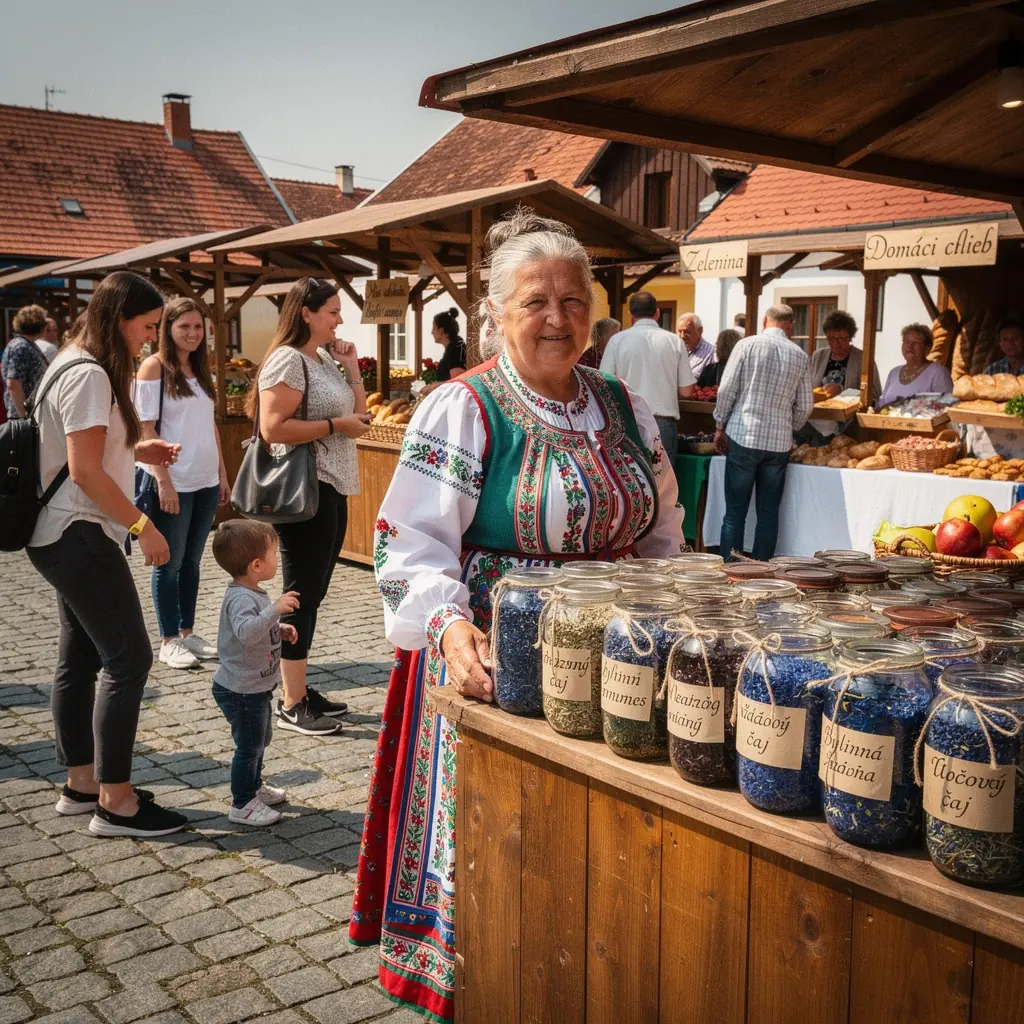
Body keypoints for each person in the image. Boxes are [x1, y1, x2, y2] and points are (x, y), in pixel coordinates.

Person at [350, 209, 686, 1023]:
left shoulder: (625, 406)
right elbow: (408, 542)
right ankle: (489, 979)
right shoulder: (461, 407)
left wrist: (677, 612)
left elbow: (664, 530)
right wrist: (447, 625)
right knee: (505, 843)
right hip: (494, 659)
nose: (558, 319)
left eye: (574, 301)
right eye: (536, 301)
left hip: (615, 658)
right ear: (496, 312)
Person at [26, 271, 188, 838]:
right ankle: (117, 803)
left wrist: (138, 447)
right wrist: (144, 525)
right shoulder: (91, 374)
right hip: (80, 533)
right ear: (119, 318)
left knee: (81, 659)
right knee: (129, 659)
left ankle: (82, 784)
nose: (149, 339)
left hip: (61, 533)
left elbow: (80, 447)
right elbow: (84, 470)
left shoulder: (72, 360)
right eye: (146, 327)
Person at [252, 277, 370, 735]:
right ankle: (290, 700)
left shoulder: (320, 358)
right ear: (306, 313)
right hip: (304, 488)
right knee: (300, 592)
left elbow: (358, 416)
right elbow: (272, 428)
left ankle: (298, 688)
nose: (340, 319)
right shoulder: (286, 359)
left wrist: (352, 367)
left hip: (332, 485)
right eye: (333, 311)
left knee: (314, 591)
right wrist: (334, 423)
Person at [135, 297, 231, 670]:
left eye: (197, 327)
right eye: (183, 326)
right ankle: (169, 639)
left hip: (205, 480)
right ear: (168, 329)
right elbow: (146, 429)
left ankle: (187, 632)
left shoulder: (201, 369)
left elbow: (210, 427)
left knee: (192, 561)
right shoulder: (153, 368)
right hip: (174, 479)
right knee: (169, 562)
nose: (192, 333)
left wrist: (222, 475)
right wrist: (163, 481)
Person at [211, 520, 299, 826]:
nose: (278, 560)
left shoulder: (253, 593)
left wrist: (278, 628)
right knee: (249, 746)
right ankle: (242, 803)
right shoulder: (240, 598)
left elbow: (255, 629)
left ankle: (253, 786)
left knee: (261, 739)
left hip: (255, 686)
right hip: (240, 689)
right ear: (257, 564)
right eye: (274, 555)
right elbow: (247, 632)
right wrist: (275, 611)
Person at [714, 303, 814, 562]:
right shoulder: (800, 355)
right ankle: (762, 569)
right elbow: (805, 406)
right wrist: (789, 428)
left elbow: (727, 391)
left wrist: (719, 425)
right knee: (768, 513)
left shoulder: (746, 345)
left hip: (743, 434)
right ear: (791, 325)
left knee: (735, 512)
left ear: (764, 321)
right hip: (778, 443)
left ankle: (731, 567)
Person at [600, 290, 694, 460]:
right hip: (662, 423)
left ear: (631, 315)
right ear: (657, 313)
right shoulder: (675, 341)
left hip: (627, 421)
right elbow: (687, 391)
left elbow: (604, 385)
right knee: (662, 485)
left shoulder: (617, 341)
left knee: (630, 481)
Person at [805, 310, 881, 440]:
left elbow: (873, 395)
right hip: (816, 421)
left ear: (850, 337)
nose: (836, 343)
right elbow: (807, 385)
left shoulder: (863, 359)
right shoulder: (819, 356)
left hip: (849, 426)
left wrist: (841, 391)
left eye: (841, 339)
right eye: (831, 338)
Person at [876, 323, 953, 409]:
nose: (909, 346)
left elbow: (947, 407)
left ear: (927, 348)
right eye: (906, 342)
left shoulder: (938, 372)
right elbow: (881, 403)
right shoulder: (894, 372)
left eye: (916, 343)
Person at [3, 304, 50, 418]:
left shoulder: (27, 344)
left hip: (30, 413)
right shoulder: (21, 346)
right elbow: (13, 384)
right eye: (45, 324)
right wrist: (25, 416)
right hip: (23, 417)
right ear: (38, 326)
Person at [678, 312, 716, 381]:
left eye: (687, 332)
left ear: (700, 331)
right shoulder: (676, 351)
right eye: (680, 332)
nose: (682, 336)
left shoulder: (712, 354)